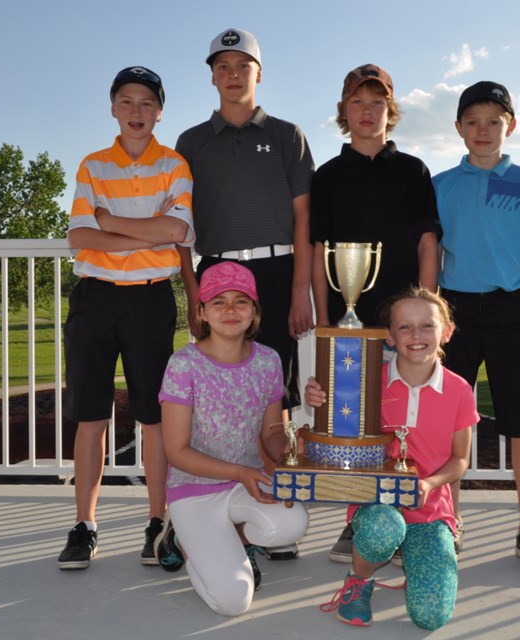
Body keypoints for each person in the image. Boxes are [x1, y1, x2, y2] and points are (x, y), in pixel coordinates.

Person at [175, 27, 315, 561]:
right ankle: (220, 505)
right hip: (217, 275)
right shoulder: (191, 142)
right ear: (212, 75)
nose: (233, 76)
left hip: (277, 273)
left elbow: (303, 218)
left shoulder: (286, 134)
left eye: (243, 66)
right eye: (222, 66)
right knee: (217, 395)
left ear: (259, 73)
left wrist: (299, 290)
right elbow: (182, 230)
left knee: (272, 400)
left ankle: (272, 512)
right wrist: (192, 291)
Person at [56, 66, 195, 570]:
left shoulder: (175, 164)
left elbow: (178, 231)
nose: (137, 112)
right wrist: (144, 231)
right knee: (90, 415)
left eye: (146, 103)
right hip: (94, 298)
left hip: (150, 299)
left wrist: (111, 220)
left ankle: (157, 523)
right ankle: (84, 526)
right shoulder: (93, 165)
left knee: (153, 418)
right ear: (113, 107)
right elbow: (80, 238)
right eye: (126, 102)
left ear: (160, 110)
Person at [309, 63, 443, 564]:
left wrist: (425, 313)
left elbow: (428, 242)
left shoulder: (412, 171)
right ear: (344, 111)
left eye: (377, 103)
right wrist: (325, 323)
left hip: (406, 323)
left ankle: (429, 520)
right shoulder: (327, 176)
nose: (367, 112)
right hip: (351, 324)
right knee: (356, 426)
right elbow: (321, 250)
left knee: (413, 421)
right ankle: (357, 523)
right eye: (357, 103)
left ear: (391, 110)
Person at [434, 81, 520, 573]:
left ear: (510, 125)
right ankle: (448, 524)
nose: (483, 130)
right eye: (473, 121)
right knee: (450, 422)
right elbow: (433, 254)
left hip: (513, 315)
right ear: (459, 128)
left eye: (494, 121)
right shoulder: (441, 185)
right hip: (455, 317)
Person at [308, 287, 478, 629]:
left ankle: (419, 561)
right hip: (377, 505)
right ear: (389, 337)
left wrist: (430, 484)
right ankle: (359, 580)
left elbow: (460, 459)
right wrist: (321, 396)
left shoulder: (460, 390)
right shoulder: (366, 382)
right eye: (405, 327)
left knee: (430, 617)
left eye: (427, 326)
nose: (416, 335)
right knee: (385, 528)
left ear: (446, 331)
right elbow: (338, 426)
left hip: (429, 512)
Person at [155, 262, 309, 615]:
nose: (229, 310)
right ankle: (182, 536)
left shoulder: (268, 361)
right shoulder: (184, 364)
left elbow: (271, 435)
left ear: (254, 311)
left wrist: (291, 449)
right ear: (202, 311)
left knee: (293, 524)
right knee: (233, 602)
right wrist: (240, 472)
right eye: (218, 301)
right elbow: (176, 452)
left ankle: (226, 541)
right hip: (194, 489)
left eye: (241, 301)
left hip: (244, 486)